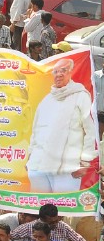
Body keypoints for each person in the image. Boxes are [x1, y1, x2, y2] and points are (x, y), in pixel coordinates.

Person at [27, 58, 97, 193]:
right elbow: (36, 131)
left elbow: (91, 132)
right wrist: (31, 158)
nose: (59, 74)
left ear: (71, 72)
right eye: (56, 71)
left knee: (62, 210)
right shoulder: (47, 99)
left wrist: (85, 162)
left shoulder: (80, 96)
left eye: (63, 70)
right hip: (38, 166)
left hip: (67, 169)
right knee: (38, 210)